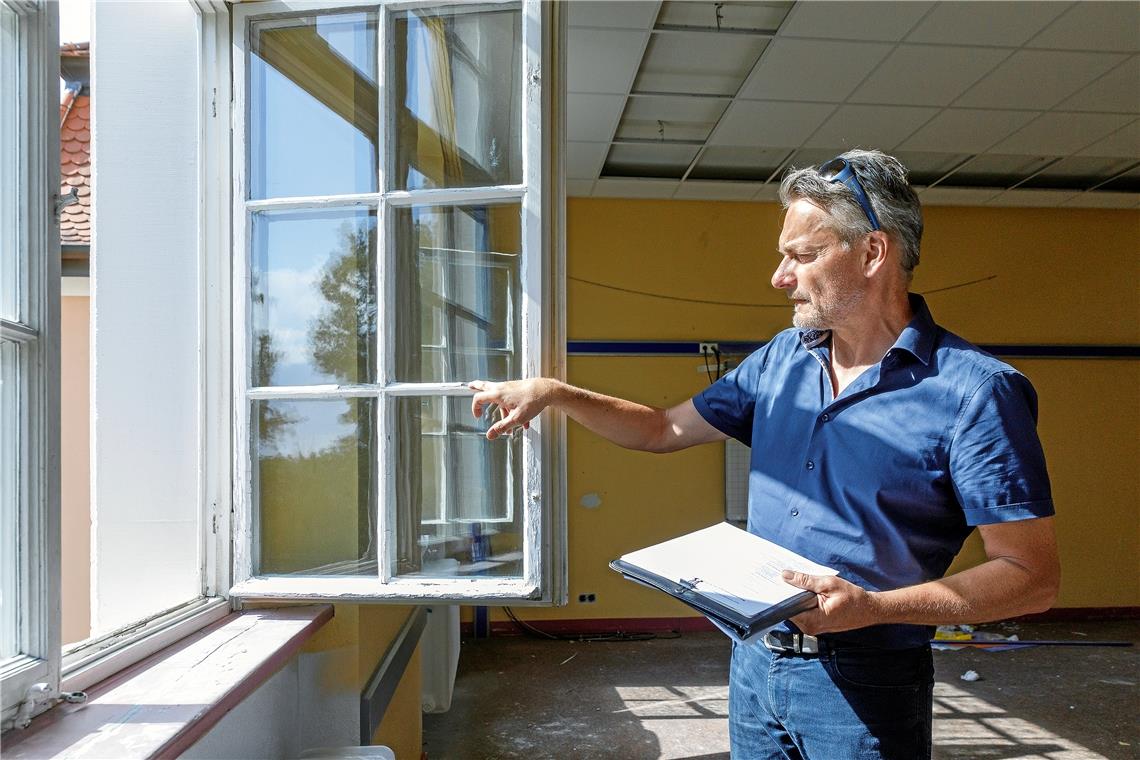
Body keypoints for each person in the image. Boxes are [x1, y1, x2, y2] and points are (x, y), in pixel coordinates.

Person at [468, 149, 1060, 760]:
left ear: (872, 254)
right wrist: (557, 394)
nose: (780, 276)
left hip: (866, 684)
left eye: (802, 256)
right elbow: (662, 430)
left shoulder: (976, 392)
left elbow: (1031, 578)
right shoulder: (783, 357)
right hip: (753, 664)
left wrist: (874, 608)